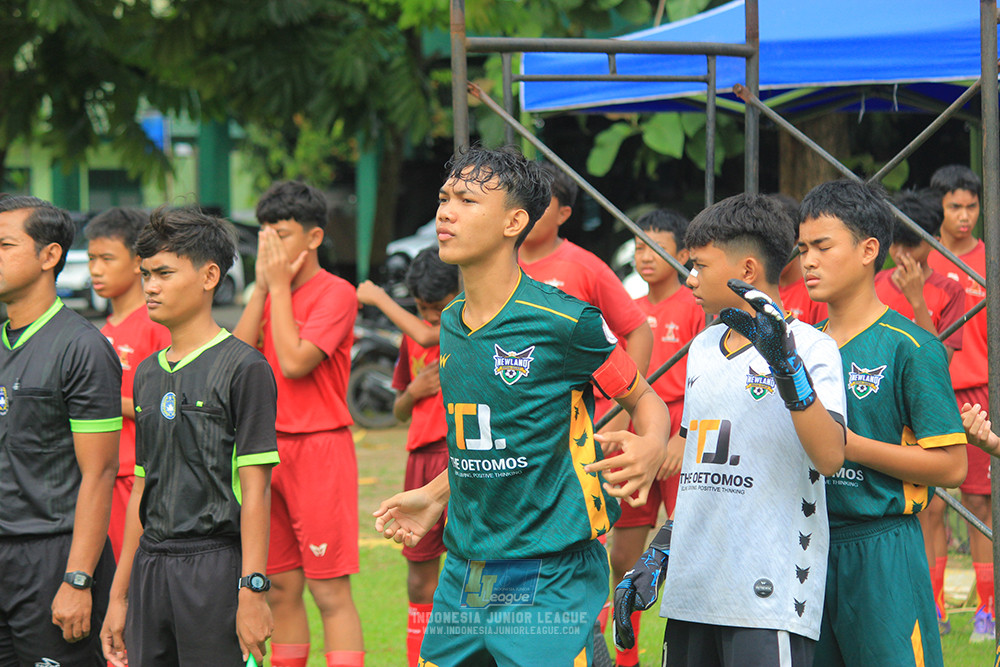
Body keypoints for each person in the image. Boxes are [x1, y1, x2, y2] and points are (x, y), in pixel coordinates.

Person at [374, 145, 670, 666]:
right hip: (468, 569)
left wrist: (652, 443)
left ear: (515, 220)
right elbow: (494, 438)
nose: (445, 211)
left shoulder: (565, 321)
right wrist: (434, 495)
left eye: (466, 199)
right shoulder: (450, 322)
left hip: (549, 567)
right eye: (445, 198)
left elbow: (645, 398)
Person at [616, 193, 847, 667]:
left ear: (746, 270)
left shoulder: (812, 347)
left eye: (699, 265)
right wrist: (661, 550)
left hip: (767, 593)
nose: (689, 278)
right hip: (693, 591)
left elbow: (830, 458)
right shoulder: (702, 348)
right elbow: (706, 469)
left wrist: (787, 369)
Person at [797, 179, 967, 667]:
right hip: (808, 543)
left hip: (883, 546)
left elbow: (953, 466)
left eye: (823, 247)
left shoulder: (909, 347)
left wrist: (847, 445)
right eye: (803, 248)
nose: (808, 260)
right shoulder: (800, 347)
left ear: (870, 249)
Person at [100, 206, 279, 666]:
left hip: (215, 567)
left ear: (209, 276)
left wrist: (253, 591)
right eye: (145, 274)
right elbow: (144, 485)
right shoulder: (145, 374)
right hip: (151, 567)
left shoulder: (245, 368)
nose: (150, 286)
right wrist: (119, 597)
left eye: (163, 273)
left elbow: (256, 492)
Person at [233, 180, 363, 667]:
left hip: (319, 448)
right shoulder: (272, 292)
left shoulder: (337, 292)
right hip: (266, 451)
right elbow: (239, 358)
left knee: (329, 591)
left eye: (282, 234)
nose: (271, 246)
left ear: (313, 238)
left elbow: (292, 361)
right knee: (282, 587)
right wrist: (263, 289)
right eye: (265, 234)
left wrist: (280, 290)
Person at [0, 195, 122, 666]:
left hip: (52, 560)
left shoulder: (82, 347)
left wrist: (77, 581)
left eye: (6, 245)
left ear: (49, 256)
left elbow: (100, 473)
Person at [608, 208, 704, 667]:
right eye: (640, 246)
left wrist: (680, 437)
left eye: (658, 246)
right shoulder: (630, 310)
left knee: (686, 547)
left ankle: (685, 649)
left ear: (684, 253)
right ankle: (625, 655)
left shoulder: (695, 306)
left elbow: (707, 381)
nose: (646, 256)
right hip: (636, 435)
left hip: (683, 437)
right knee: (622, 550)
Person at [871, 189, 968, 633]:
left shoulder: (949, 290)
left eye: (913, 243)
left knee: (930, 511)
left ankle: (933, 605)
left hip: (923, 414)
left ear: (931, 240)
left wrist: (915, 299)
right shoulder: (870, 285)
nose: (903, 254)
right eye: (896, 243)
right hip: (877, 409)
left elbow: (939, 361)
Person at [371, 248, 458, 666]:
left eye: (438, 310)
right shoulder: (414, 333)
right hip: (420, 459)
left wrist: (375, 296)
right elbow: (399, 409)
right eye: (422, 310)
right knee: (421, 579)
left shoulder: (469, 324)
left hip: (461, 456)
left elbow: (430, 336)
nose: (430, 320)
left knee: (473, 573)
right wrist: (413, 392)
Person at [517, 162, 653, 422]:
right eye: (523, 201)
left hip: (582, 419)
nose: (529, 211)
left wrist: (623, 410)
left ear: (563, 214)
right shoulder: (498, 264)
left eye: (540, 204)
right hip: (519, 417)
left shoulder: (586, 267)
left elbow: (639, 331)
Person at [926, 164, 994, 641]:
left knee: (979, 503)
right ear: (939, 208)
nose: (965, 215)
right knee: (927, 505)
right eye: (955, 206)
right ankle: (934, 607)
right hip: (929, 392)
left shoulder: (990, 259)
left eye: (972, 206)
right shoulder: (919, 259)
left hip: (979, 393)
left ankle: (987, 610)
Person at [85, 207, 171, 561]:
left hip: (139, 478)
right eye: (91, 258)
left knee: (134, 586)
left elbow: (168, 405)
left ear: (138, 262)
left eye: (106, 258)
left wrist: (94, 402)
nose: (95, 269)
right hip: (101, 476)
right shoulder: (101, 331)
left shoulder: (156, 326)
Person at [773, 194, 828, 325]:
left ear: (797, 244)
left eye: (775, 246)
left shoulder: (816, 292)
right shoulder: (757, 289)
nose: (768, 255)